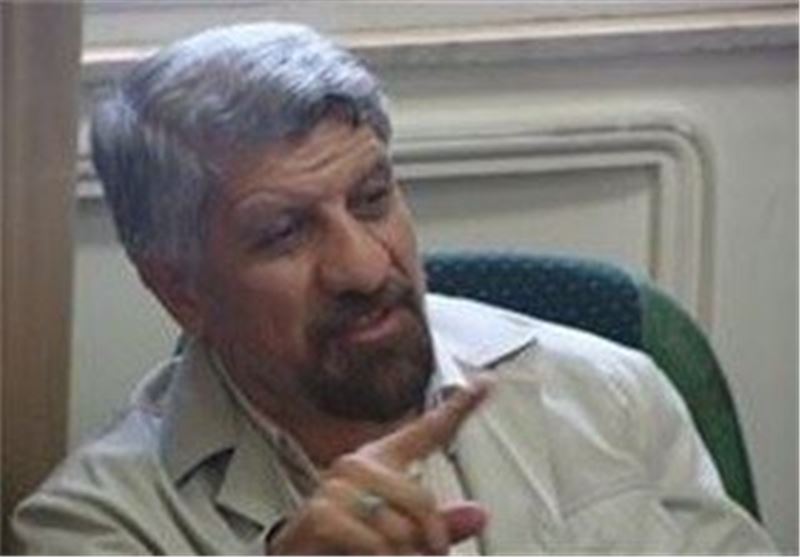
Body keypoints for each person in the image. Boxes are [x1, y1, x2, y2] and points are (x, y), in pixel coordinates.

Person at [13, 23, 775, 555]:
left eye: (373, 198)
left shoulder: (609, 395)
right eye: (284, 232)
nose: (365, 268)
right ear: (180, 289)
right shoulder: (94, 529)